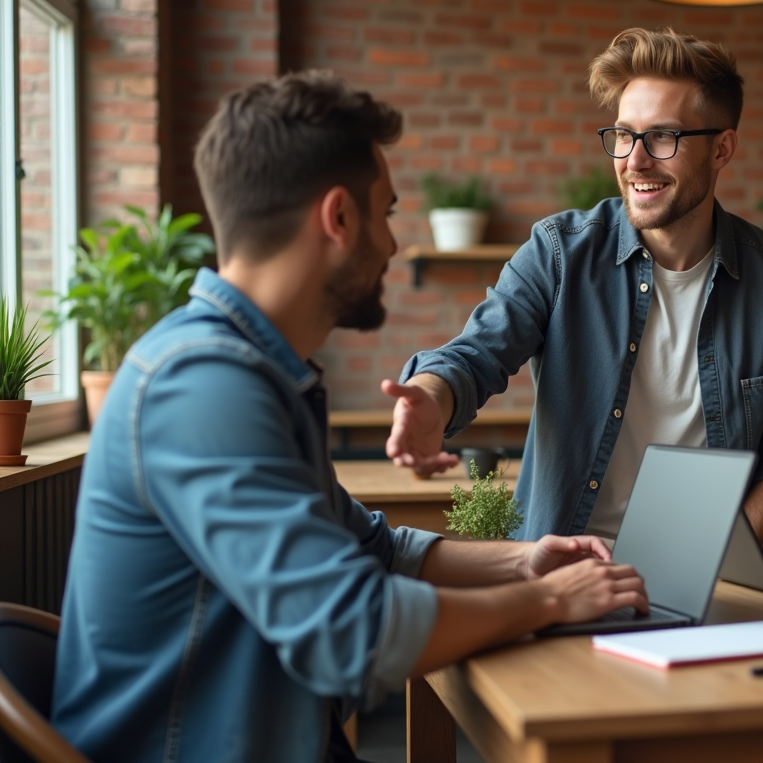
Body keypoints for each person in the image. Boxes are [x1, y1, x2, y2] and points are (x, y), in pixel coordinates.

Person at [51, 72, 649, 763]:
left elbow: (375, 550)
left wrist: (524, 564)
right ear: (338, 218)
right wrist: (549, 602)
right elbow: (352, 630)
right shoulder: (200, 385)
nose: (393, 244)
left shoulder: (254, 373)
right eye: (387, 213)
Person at [387, 27, 763, 545]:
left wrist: (720, 552)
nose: (634, 160)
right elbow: (475, 355)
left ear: (721, 149)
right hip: (565, 568)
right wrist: (429, 398)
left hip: (707, 577)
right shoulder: (558, 252)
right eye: (623, 135)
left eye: (664, 137)